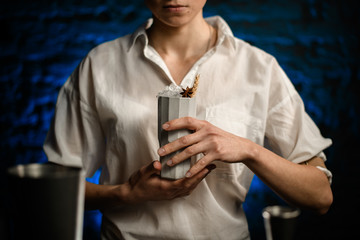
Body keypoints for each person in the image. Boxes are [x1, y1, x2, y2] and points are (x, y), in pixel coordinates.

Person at [43, 0, 333, 239]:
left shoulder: (259, 68)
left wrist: (248, 150)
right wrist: (126, 193)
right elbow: (55, 190)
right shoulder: (100, 64)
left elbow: (319, 196)